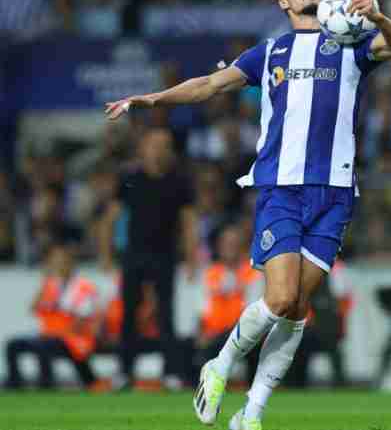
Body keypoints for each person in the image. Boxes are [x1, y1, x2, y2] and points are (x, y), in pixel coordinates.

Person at [104, 0, 391, 428]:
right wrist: (151, 99)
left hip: (335, 193)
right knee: (281, 297)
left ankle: (251, 413)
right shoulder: (269, 53)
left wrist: (380, 16)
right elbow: (207, 85)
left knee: (297, 308)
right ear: (283, 2)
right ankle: (220, 365)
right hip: (281, 188)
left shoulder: (353, 44)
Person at [98, 126, 197, 391]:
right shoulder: (130, 178)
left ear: (171, 151)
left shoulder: (179, 182)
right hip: (134, 254)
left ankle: (170, 373)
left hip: (165, 255)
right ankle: (124, 372)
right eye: (154, 144)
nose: (159, 151)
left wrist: (191, 259)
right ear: (143, 148)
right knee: (129, 314)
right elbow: (110, 219)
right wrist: (106, 254)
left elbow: (188, 223)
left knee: (166, 315)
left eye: (165, 145)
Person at [4, 242, 98, 390]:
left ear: (71, 263)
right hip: (48, 335)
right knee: (12, 344)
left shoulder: (84, 286)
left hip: (73, 338)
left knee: (42, 345)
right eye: (55, 261)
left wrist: (58, 333)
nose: (58, 265)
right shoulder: (51, 285)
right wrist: (44, 283)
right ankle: (15, 384)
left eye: (61, 261)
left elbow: (82, 319)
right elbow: (33, 308)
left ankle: (46, 384)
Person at [191, 225, 262, 386]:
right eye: (226, 243)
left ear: (241, 246)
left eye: (234, 243)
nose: (230, 247)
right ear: (219, 246)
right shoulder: (209, 273)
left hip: (243, 335)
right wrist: (201, 334)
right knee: (195, 345)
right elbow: (201, 310)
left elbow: (255, 310)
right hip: (213, 335)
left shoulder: (252, 272)